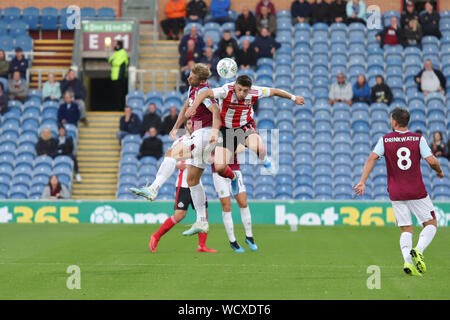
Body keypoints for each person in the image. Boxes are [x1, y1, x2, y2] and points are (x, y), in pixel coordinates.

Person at [131, 63, 222, 237]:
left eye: (192, 75)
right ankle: (202, 221)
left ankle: (154, 188)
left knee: (173, 152)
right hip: (201, 135)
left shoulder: (205, 92)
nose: (188, 77)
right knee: (193, 180)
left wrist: (215, 132)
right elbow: (185, 109)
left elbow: (216, 112)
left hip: (205, 134)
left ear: (201, 79)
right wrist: (175, 127)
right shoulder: (192, 89)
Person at [355, 107, 444, 276]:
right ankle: (418, 250)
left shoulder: (385, 140)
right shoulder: (418, 139)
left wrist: (362, 182)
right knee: (431, 224)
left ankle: (408, 263)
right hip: (416, 190)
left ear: (394, 122)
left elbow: (371, 158)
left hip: (396, 192)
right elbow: (432, 161)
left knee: (406, 229)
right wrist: (439, 171)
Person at [186, 75, 305, 200]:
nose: (241, 93)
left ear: (250, 89)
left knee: (259, 148)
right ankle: (233, 178)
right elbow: (204, 93)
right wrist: (193, 107)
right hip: (226, 131)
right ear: (235, 86)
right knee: (220, 168)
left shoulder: (255, 91)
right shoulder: (226, 90)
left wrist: (294, 97)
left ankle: (265, 160)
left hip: (244, 127)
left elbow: (274, 91)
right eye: (239, 89)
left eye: (245, 91)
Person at [145, 119, 216, 253]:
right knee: (179, 215)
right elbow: (170, 159)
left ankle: (202, 245)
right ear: (185, 126)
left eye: (193, 123)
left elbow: (209, 158)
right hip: (183, 184)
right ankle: (156, 236)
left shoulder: (201, 140)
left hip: (197, 184)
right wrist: (178, 165)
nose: (191, 125)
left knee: (203, 214)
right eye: (188, 124)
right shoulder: (179, 141)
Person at [213, 153, 257, 252]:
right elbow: (205, 155)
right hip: (218, 174)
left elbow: (241, 147)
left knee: (243, 202)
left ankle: (249, 236)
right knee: (226, 206)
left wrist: (226, 153)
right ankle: (233, 241)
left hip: (234, 170)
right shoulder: (210, 137)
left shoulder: (232, 137)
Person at [108, 40, 129, 110]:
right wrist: (112, 61)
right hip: (114, 76)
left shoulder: (123, 52)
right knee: (115, 93)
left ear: (118, 45)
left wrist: (113, 61)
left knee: (120, 93)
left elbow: (116, 62)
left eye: (115, 44)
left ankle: (120, 108)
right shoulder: (116, 53)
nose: (114, 45)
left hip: (119, 76)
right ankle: (116, 107)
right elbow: (110, 60)